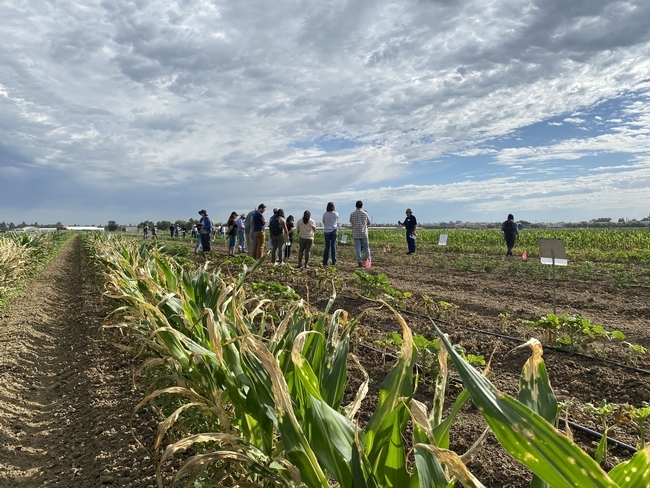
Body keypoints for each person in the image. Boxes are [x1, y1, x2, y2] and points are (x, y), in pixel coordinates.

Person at [350, 200, 371, 267]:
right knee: (366, 247)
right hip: (364, 233)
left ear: (356, 206)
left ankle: (359, 261)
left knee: (358, 248)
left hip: (356, 233)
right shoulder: (365, 213)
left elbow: (351, 222)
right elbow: (369, 222)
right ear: (362, 206)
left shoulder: (352, 214)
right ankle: (368, 261)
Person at [322, 202, 340, 266]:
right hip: (334, 231)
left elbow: (324, 221)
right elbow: (337, 221)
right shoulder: (336, 214)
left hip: (327, 231)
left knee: (327, 247)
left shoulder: (325, 214)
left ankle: (325, 261)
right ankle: (334, 261)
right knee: (333, 246)